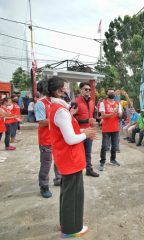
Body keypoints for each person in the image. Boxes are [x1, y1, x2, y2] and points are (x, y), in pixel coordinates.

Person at [47, 76, 96, 238]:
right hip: (70, 158)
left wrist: (83, 132)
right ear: (60, 90)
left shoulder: (57, 107)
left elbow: (69, 133)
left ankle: (66, 223)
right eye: (66, 87)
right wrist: (84, 134)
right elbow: (70, 138)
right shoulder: (60, 111)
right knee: (73, 195)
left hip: (67, 158)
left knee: (67, 193)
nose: (68, 89)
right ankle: (71, 229)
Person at [34, 79, 62, 198]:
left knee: (58, 161)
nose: (61, 91)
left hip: (58, 139)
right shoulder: (41, 103)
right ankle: (44, 186)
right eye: (59, 89)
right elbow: (41, 122)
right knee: (46, 164)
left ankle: (58, 179)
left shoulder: (58, 102)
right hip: (46, 140)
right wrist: (57, 120)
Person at [74, 82, 99, 177]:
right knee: (78, 152)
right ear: (81, 90)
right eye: (85, 89)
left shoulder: (92, 102)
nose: (88, 91)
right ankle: (77, 171)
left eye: (89, 89)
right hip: (79, 132)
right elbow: (72, 119)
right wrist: (86, 120)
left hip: (90, 131)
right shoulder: (76, 102)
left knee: (88, 152)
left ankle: (89, 169)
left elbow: (92, 115)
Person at [99, 88, 122, 171]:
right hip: (106, 128)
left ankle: (113, 160)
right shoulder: (103, 103)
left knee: (114, 146)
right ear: (107, 93)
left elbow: (120, 115)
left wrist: (119, 114)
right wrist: (113, 113)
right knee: (104, 146)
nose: (112, 93)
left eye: (113, 92)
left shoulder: (117, 103)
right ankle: (102, 161)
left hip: (115, 128)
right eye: (110, 92)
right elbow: (103, 115)